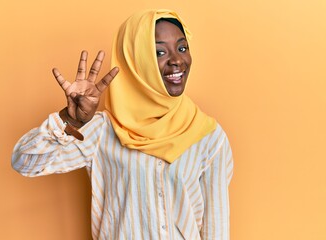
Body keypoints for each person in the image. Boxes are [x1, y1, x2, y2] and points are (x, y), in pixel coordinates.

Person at [12, 9, 234, 240]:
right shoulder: (102, 131)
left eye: (182, 48)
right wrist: (70, 120)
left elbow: (215, 228)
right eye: (159, 52)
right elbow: (25, 163)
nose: (177, 60)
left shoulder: (208, 137)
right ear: (136, 60)